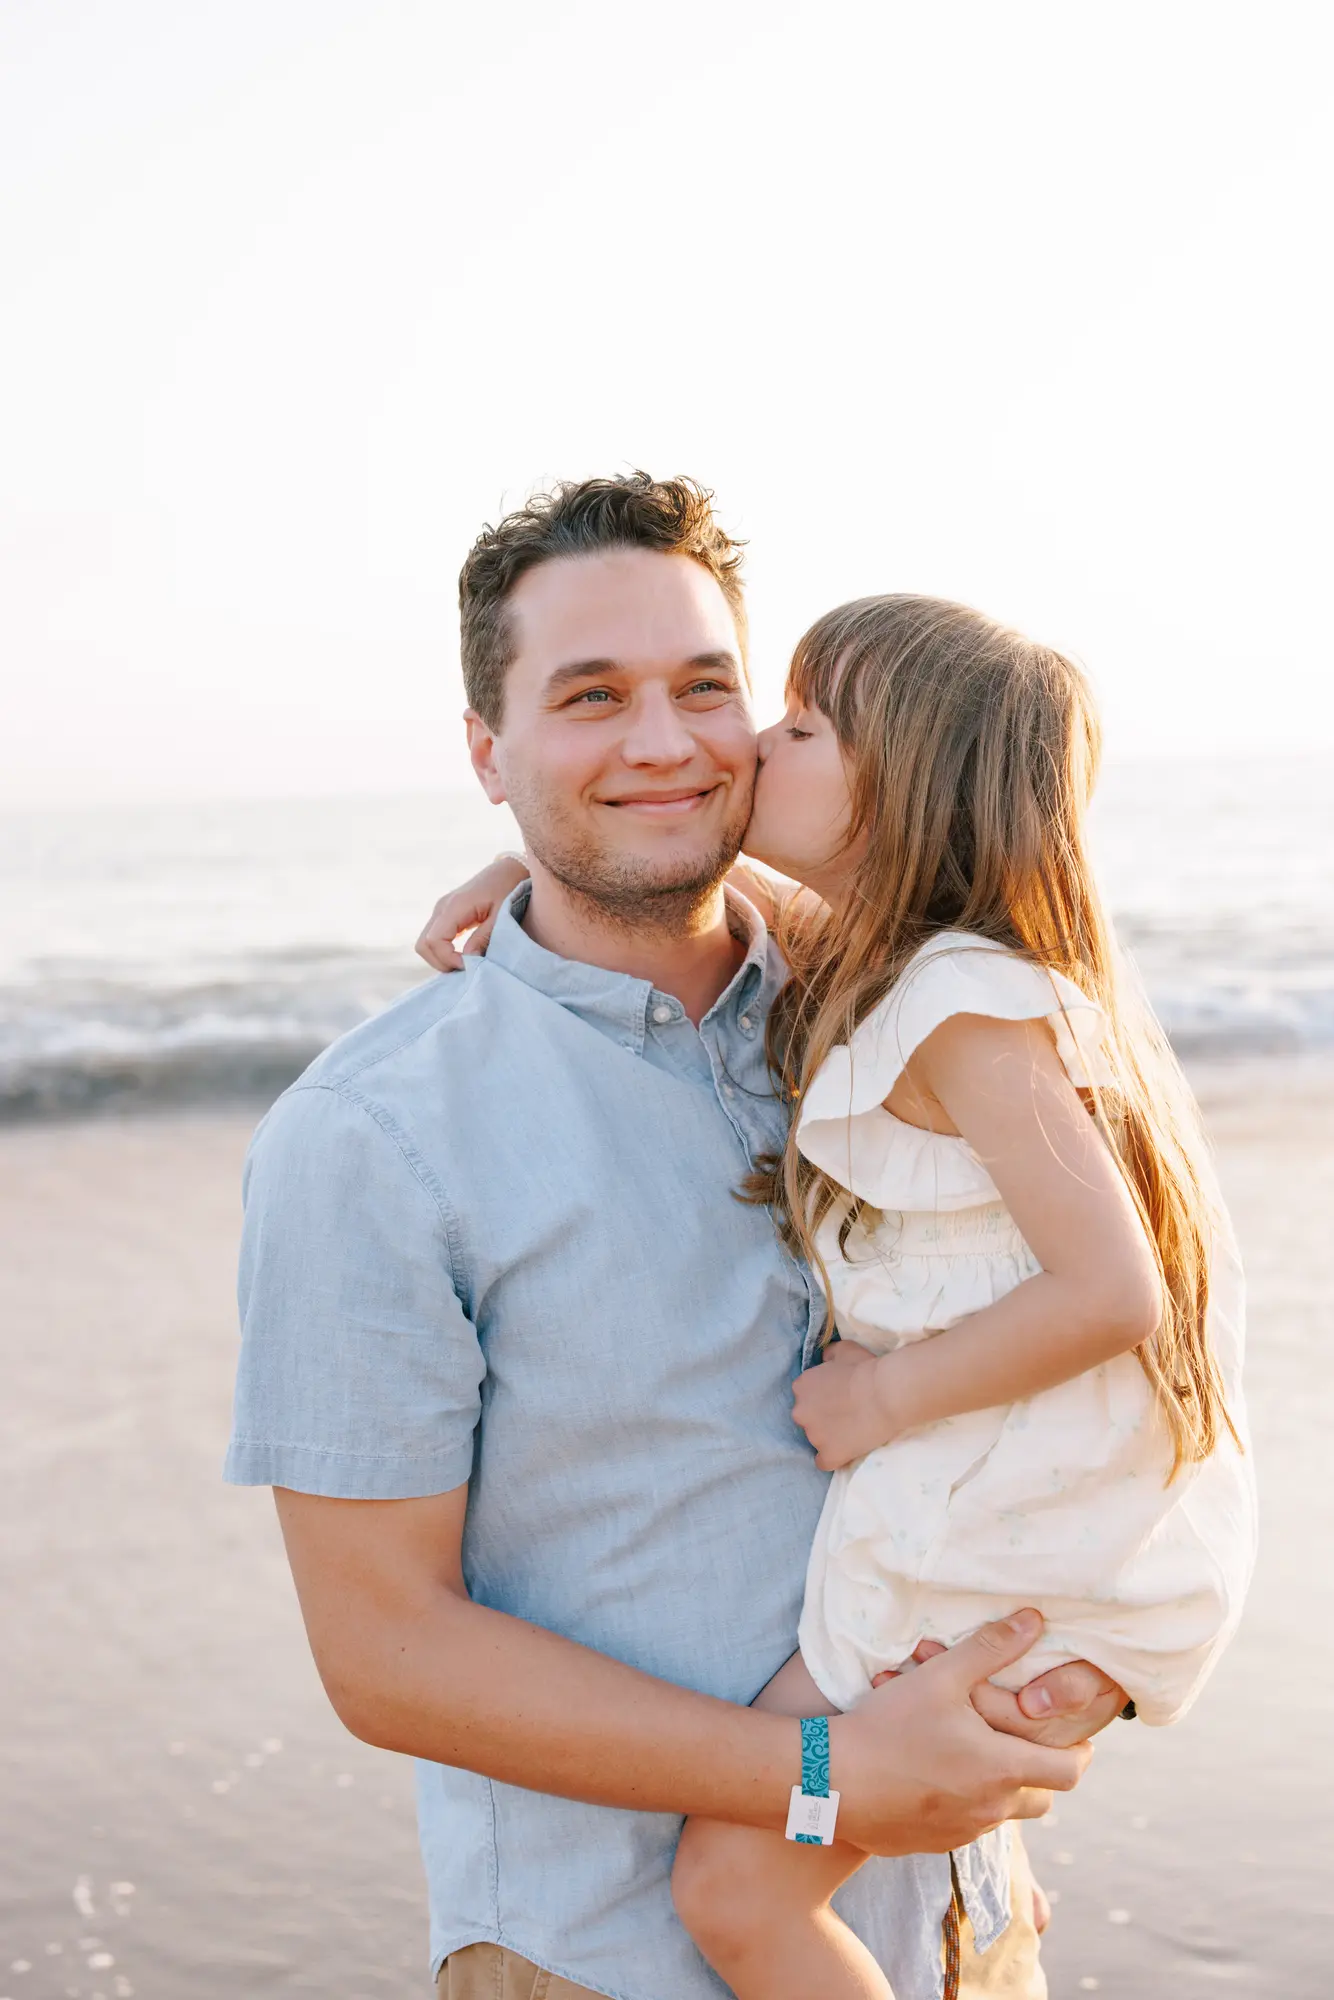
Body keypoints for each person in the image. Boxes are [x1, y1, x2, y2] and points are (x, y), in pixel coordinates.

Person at [227, 474, 1127, 2000]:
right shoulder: (369, 1138)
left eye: (705, 690)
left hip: (962, 1926)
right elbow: (383, 1653)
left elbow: (1124, 1330)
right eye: (589, 699)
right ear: (484, 751)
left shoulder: (900, 1017)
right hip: (608, 1959)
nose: (663, 743)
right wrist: (823, 1775)